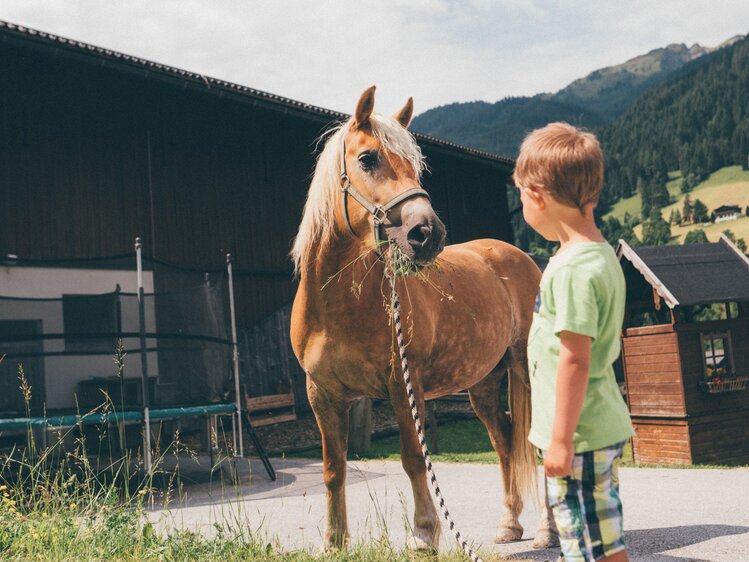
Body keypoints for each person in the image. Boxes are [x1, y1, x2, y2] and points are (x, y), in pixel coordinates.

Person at [513, 122, 634, 562]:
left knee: (589, 547)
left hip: (579, 437)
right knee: (597, 540)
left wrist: (560, 440)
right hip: (595, 426)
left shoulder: (570, 270)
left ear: (538, 195)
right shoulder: (599, 256)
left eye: (521, 195)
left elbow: (575, 360)